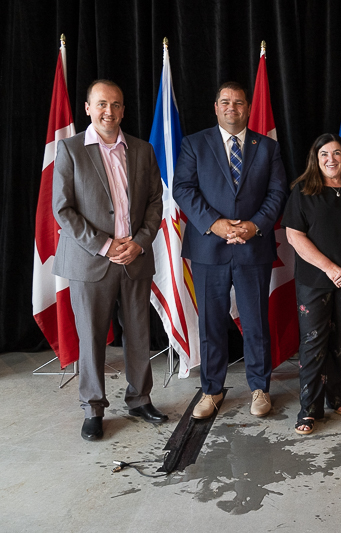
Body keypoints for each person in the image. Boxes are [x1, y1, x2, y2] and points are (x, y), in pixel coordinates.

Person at [52, 79, 167, 441]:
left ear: (123, 110)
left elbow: (154, 202)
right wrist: (104, 245)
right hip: (90, 262)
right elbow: (63, 210)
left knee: (139, 335)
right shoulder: (70, 150)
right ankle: (93, 408)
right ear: (88, 108)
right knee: (91, 338)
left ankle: (139, 398)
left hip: (134, 258)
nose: (109, 111)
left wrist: (141, 243)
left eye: (116, 105)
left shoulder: (142, 150)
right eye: (101, 104)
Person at [173, 81, 288, 419]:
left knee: (256, 323)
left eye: (239, 103)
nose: (232, 108)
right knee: (210, 324)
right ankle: (211, 390)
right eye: (225, 102)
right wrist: (217, 224)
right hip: (209, 247)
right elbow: (183, 188)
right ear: (216, 106)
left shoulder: (267, 147)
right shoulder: (195, 144)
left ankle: (259, 389)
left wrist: (253, 227)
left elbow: (278, 192)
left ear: (248, 108)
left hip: (254, 247)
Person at [283, 134, 341, 435]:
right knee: (313, 343)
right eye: (324, 154)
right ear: (316, 157)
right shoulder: (303, 192)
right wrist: (331, 268)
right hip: (315, 281)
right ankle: (308, 410)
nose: (331, 159)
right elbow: (294, 236)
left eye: (337, 153)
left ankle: (339, 395)